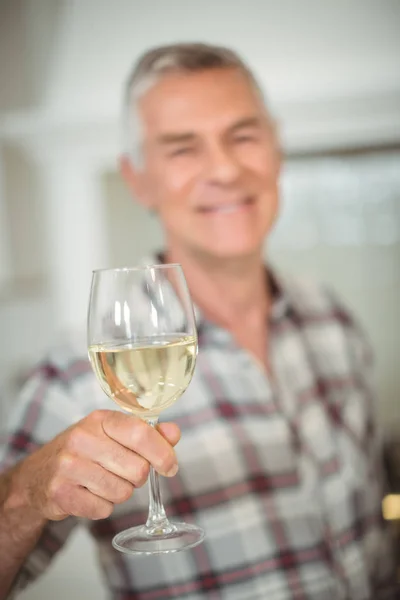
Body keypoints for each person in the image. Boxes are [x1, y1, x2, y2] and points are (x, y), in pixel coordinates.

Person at [0, 43, 398, 600]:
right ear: (137, 179)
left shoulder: (334, 321)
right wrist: (24, 495)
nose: (225, 169)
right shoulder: (73, 369)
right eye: (183, 148)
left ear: (276, 147)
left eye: (243, 136)